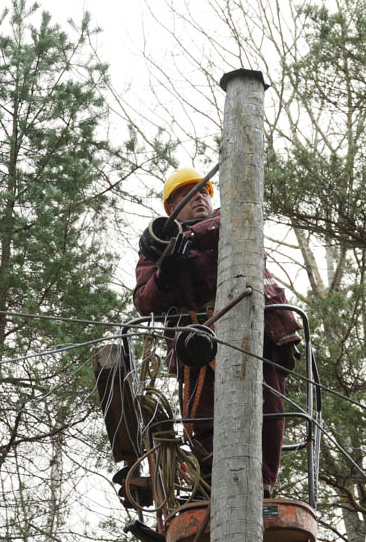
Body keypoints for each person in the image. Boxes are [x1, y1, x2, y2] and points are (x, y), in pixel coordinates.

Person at [133, 168, 301, 498]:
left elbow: (236, 223)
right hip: (199, 345)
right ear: (171, 208)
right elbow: (144, 300)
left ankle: (262, 485)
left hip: (260, 332)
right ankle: (208, 484)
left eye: (204, 192)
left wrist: (188, 239)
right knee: (203, 415)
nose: (200, 197)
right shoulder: (158, 246)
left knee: (268, 408)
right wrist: (165, 274)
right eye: (188, 194)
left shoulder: (233, 219)